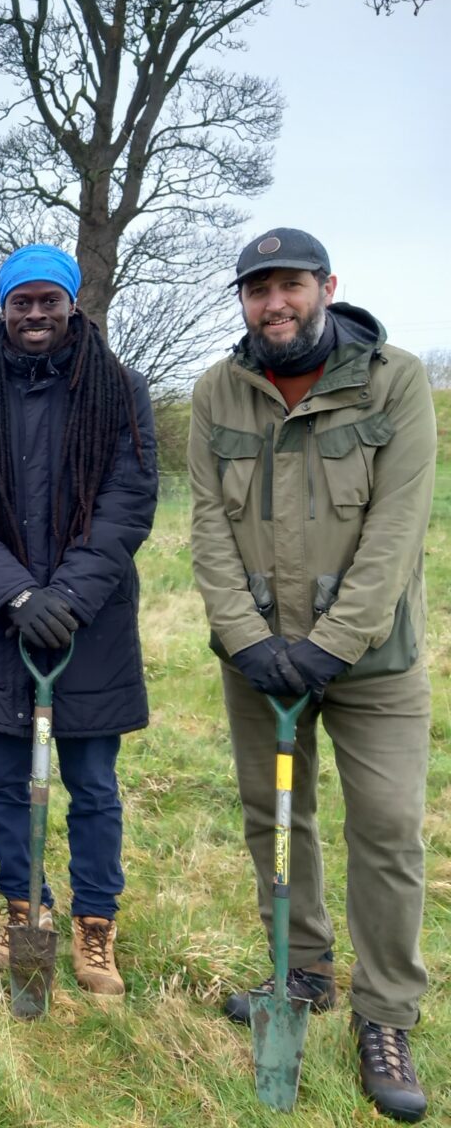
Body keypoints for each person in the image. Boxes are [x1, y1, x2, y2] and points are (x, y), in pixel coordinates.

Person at [189, 229, 434, 1123]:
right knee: (276, 817)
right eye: (257, 291)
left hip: (373, 661)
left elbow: (398, 530)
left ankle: (386, 1014)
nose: (274, 304)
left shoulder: (394, 381)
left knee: (388, 828)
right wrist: (246, 639)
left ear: (327, 286)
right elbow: (210, 530)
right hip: (259, 662)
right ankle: (302, 974)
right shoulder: (220, 389)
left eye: (289, 286)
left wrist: (333, 644)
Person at [0, 244, 157, 997]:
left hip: (89, 629)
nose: (34, 315)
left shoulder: (119, 391)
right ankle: (25, 910)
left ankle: (95, 927)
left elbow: (130, 502)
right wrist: (20, 597)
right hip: (1, 624)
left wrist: (67, 596)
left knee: (91, 783)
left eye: (46, 301)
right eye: (20, 302)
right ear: (3, 308)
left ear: (71, 304)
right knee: (5, 781)